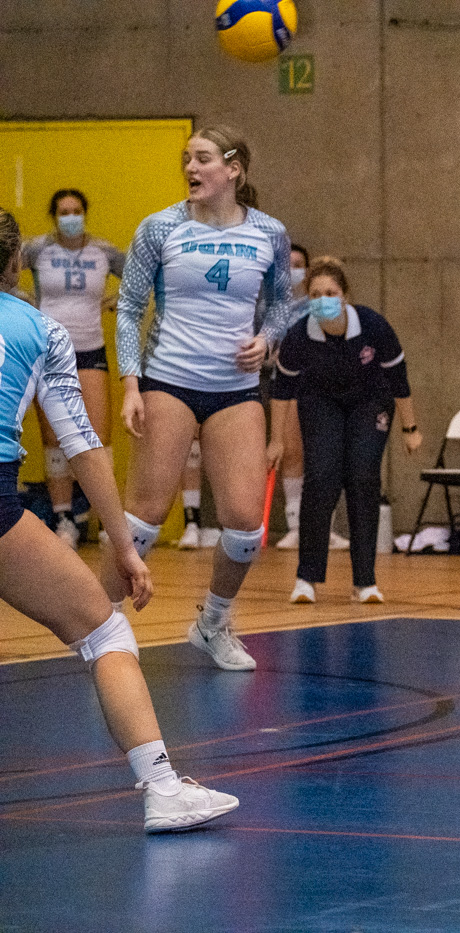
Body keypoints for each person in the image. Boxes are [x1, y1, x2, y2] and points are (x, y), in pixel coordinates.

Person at [0, 208, 238, 831]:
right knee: (106, 635)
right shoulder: (40, 330)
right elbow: (83, 447)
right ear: (14, 262)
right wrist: (124, 546)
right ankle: (163, 788)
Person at [102, 125, 295, 672]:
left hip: (236, 390)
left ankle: (212, 623)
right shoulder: (159, 228)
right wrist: (132, 383)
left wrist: (267, 339)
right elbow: (132, 305)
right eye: (186, 158)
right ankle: (99, 621)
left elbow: (283, 304)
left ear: (233, 169)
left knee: (244, 524)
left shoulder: (269, 233)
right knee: (144, 515)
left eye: (203, 158)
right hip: (170, 380)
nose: (191, 167)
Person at [267, 256, 421, 604]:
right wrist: (275, 440)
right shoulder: (298, 336)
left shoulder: (372, 326)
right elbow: (282, 390)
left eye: (331, 292)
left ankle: (365, 582)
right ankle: (306, 579)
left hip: (371, 401)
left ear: (345, 295)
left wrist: (410, 427)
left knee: (363, 476)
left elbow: (398, 378)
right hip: (321, 402)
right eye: (316, 293)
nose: (324, 298)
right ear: (308, 298)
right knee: (320, 478)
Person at [19, 189, 125, 548]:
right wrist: (23, 300)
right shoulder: (37, 249)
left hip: (90, 348)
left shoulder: (103, 251)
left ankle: (107, 519)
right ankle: (64, 519)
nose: (70, 217)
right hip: (48, 350)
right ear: (54, 216)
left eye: (76, 210)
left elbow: (141, 279)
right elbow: (5, 270)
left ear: (85, 213)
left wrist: (116, 302)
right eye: (63, 212)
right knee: (55, 439)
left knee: (97, 435)